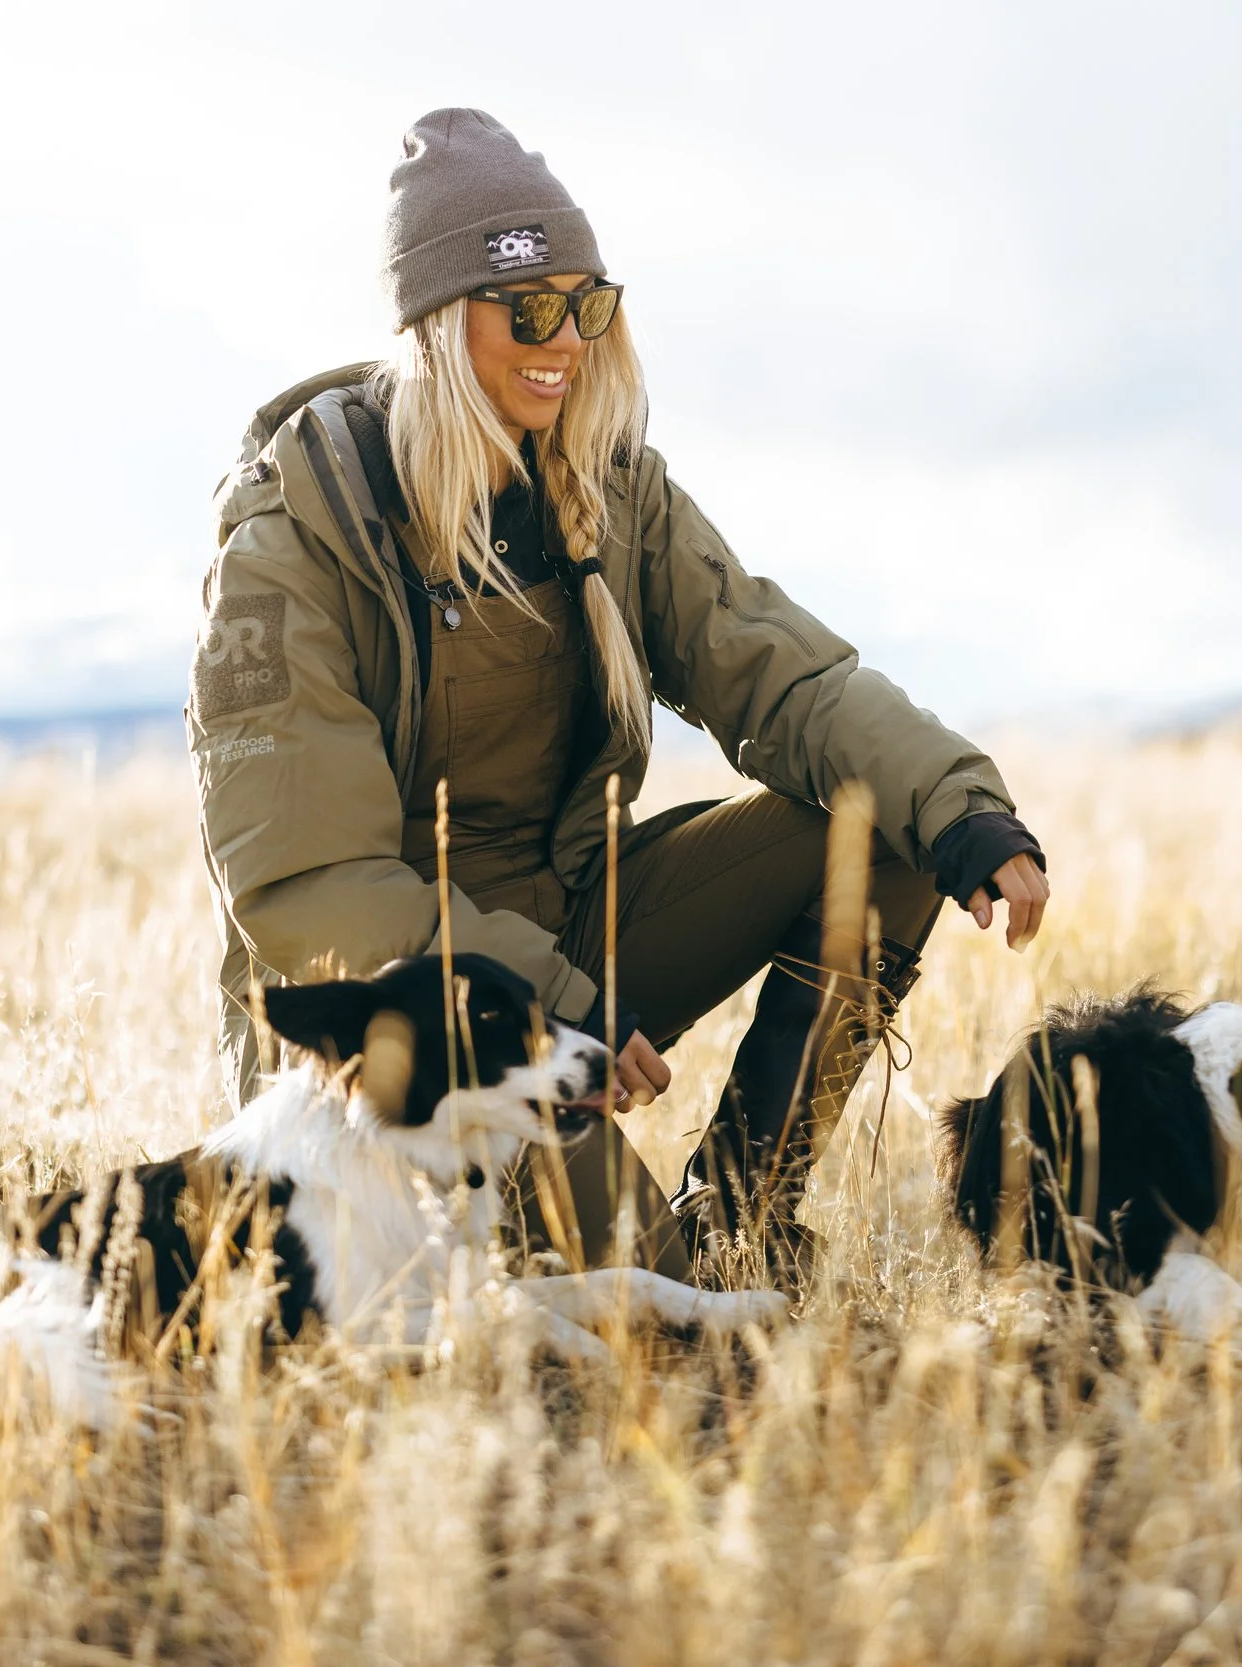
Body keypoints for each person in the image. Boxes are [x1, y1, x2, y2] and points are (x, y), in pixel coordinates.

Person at [187, 108, 1050, 1283]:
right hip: (407, 1023)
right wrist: (554, 1001)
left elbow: (782, 671)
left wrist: (958, 806)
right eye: (528, 309)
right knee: (636, 1300)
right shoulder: (300, 531)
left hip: (568, 933)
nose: (565, 342)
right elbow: (308, 894)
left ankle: (744, 1214)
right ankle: (658, 1253)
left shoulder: (605, 487)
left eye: (587, 304)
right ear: (438, 323)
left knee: (877, 827)